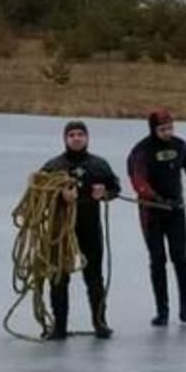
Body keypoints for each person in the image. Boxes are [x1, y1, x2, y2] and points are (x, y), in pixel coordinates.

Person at [127, 108, 186, 326]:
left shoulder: (179, 146)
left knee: (181, 257)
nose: (167, 133)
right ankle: (162, 310)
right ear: (153, 129)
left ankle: (185, 302)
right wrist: (157, 199)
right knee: (158, 260)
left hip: (176, 210)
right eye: (162, 129)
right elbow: (138, 182)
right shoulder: (141, 151)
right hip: (151, 212)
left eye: (170, 128)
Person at [40, 120, 121, 340]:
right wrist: (59, 195)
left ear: (87, 138)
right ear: (65, 139)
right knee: (58, 277)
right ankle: (60, 326)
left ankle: (100, 322)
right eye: (72, 135)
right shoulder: (53, 166)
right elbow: (38, 194)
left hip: (90, 228)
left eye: (80, 134)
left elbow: (115, 188)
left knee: (94, 276)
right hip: (61, 231)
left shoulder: (99, 165)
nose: (76, 138)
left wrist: (104, 193)